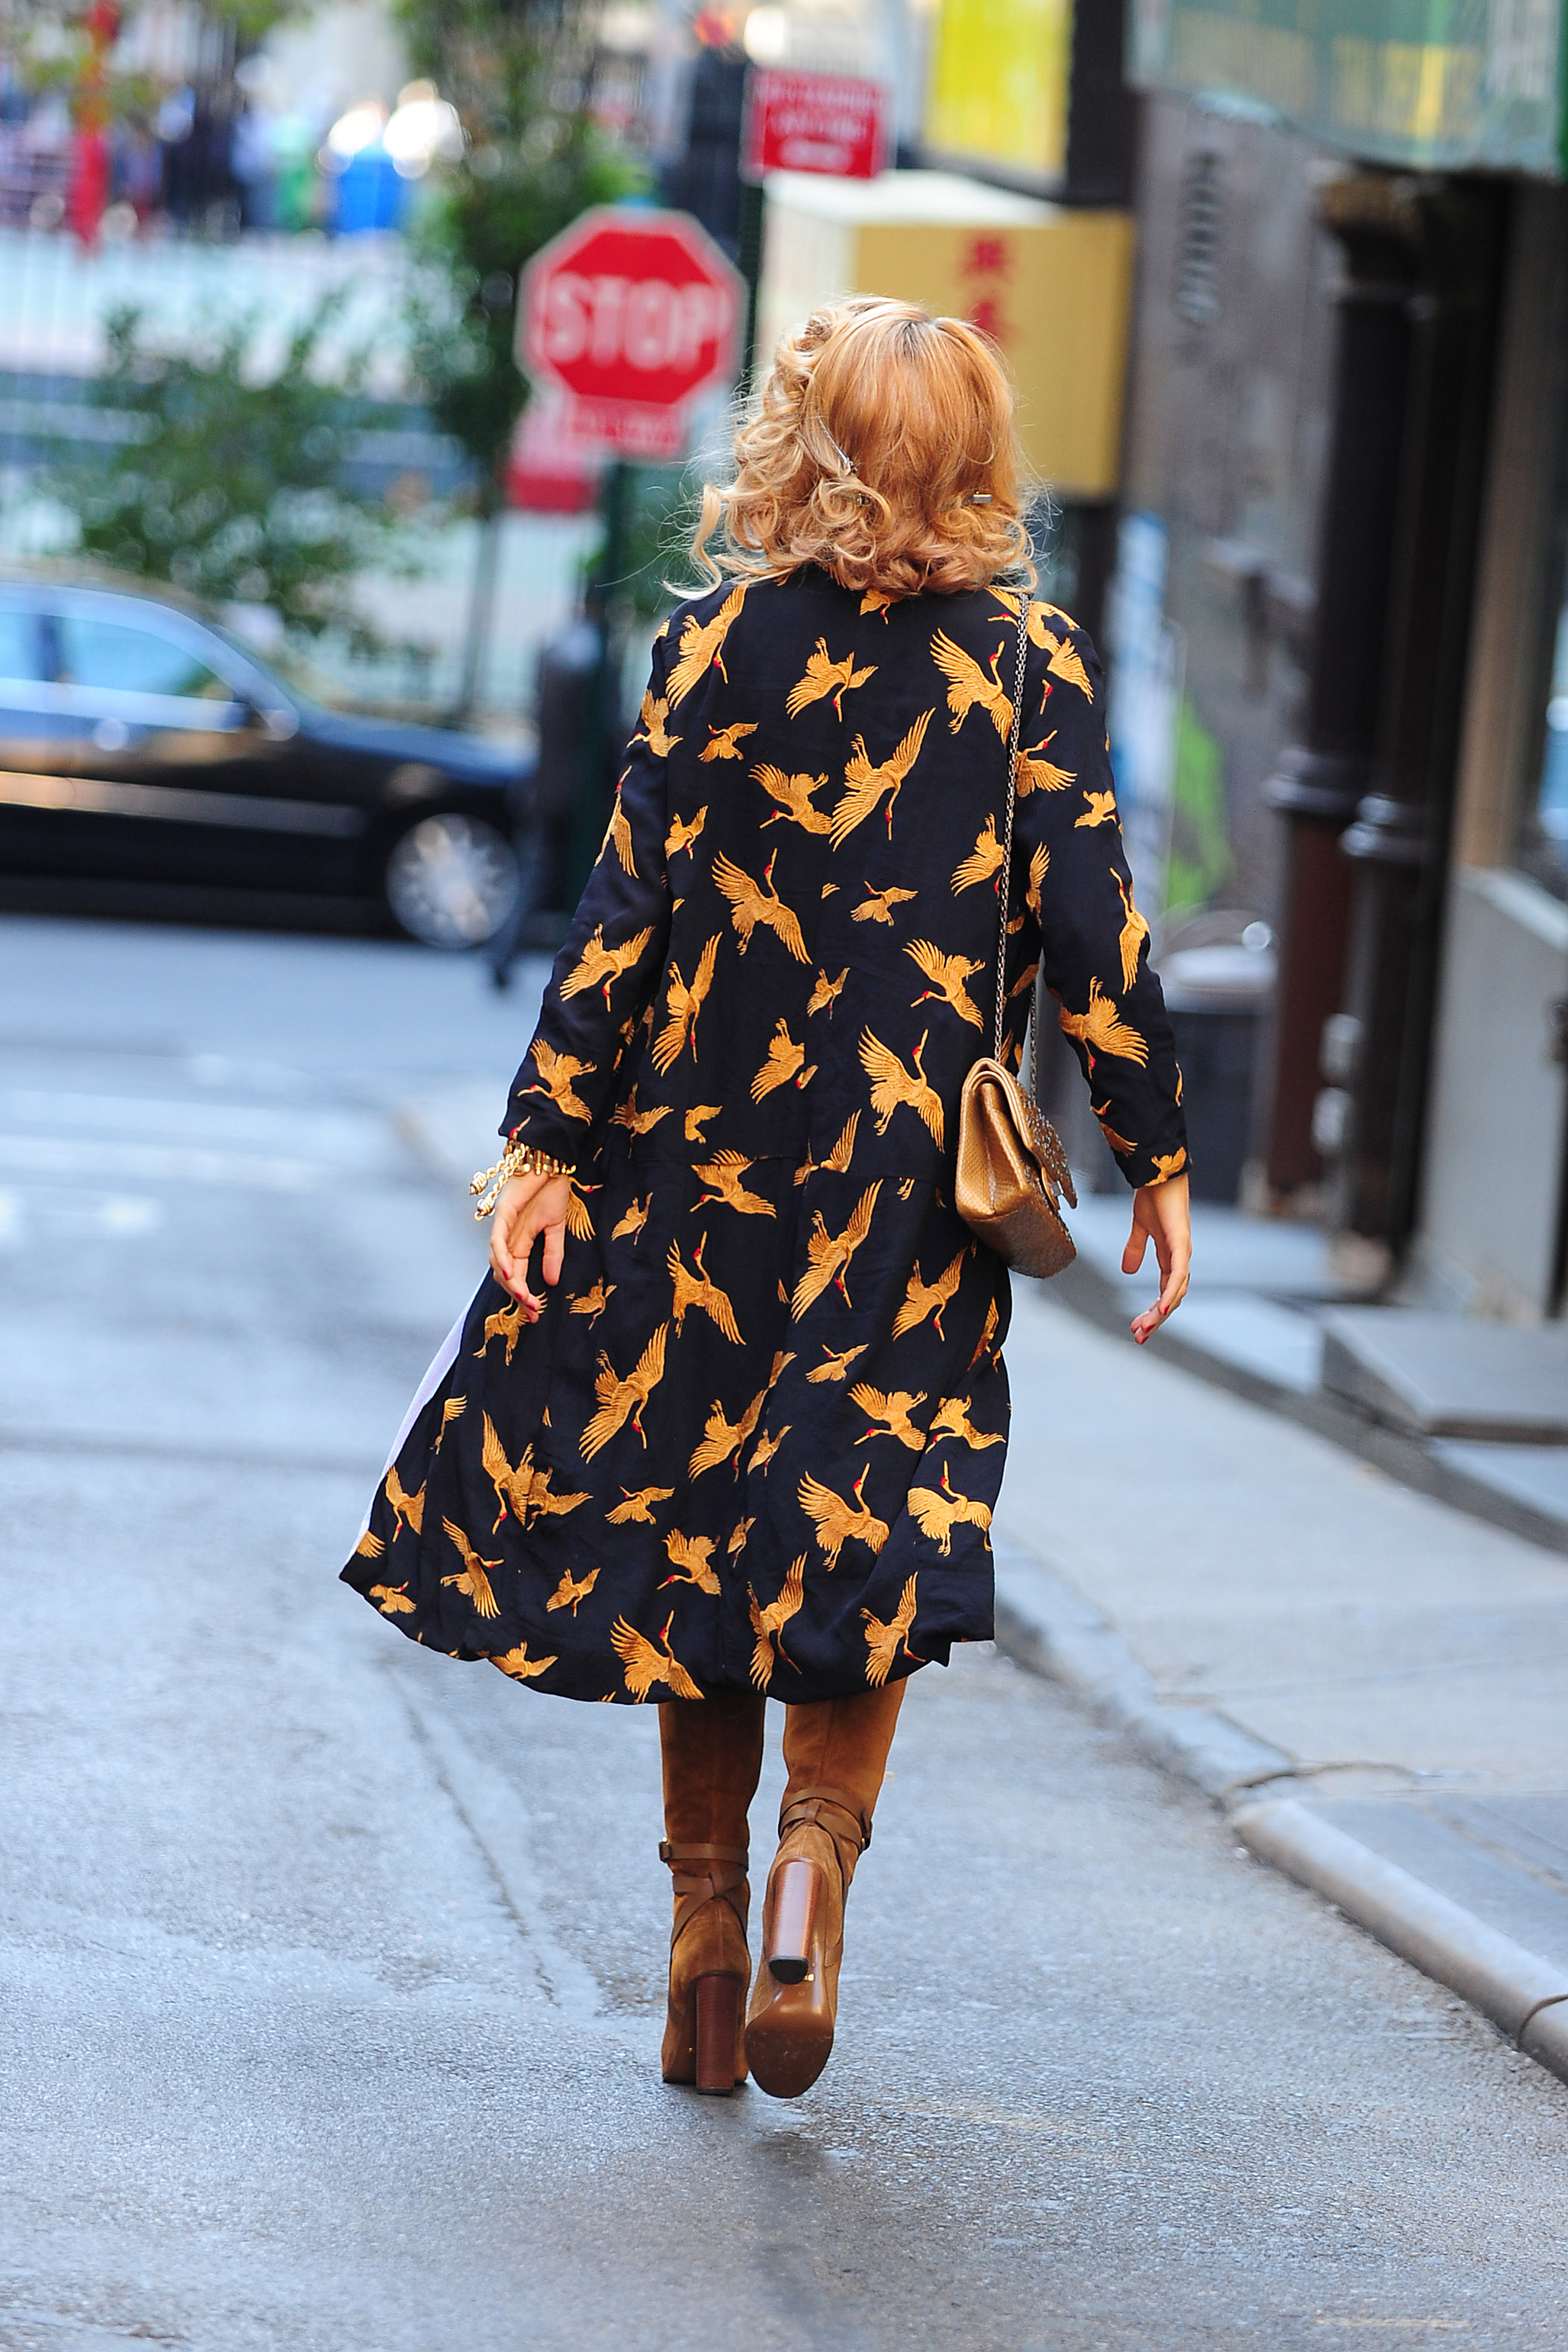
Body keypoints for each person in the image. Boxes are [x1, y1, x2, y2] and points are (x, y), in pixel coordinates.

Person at [342, 297, 1190, 2102]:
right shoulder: (1029, 666)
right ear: (975, 461)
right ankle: (818, 1861)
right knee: (862, 1536)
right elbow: (1095, 931)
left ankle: (708, 1941)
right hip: (905, 1208)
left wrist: (545, 1146)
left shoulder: (715, 642)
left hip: (694, 1178)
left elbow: (624, 908)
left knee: (701, 1540)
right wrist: (1162, 1155)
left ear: (801, 444)